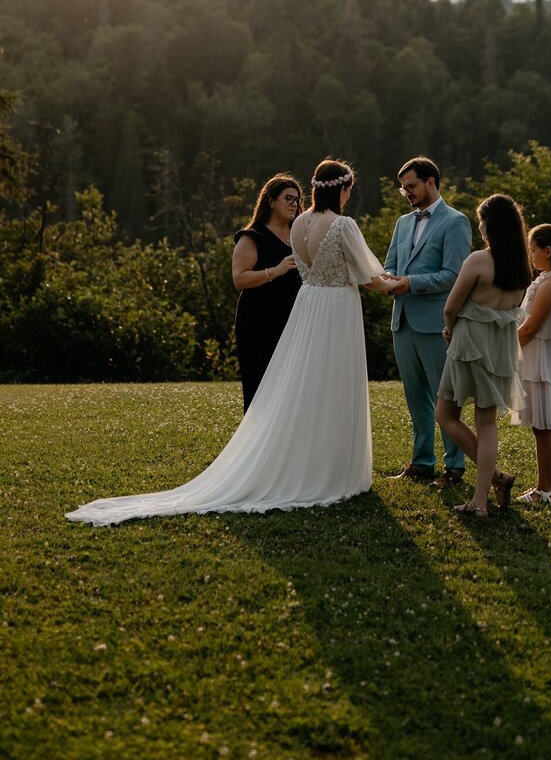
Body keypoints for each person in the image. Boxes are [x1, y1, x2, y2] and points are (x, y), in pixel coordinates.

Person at [66, 159, 397, 526]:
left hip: (308, 308)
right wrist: (397, 285)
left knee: (305, 386)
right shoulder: (342, 224)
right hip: (335, 309)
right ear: (343, 189)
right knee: (333, 384)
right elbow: (369, 276)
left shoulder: (301, 224)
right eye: (349, 190)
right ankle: (333, 471)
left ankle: (308, 462)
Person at [435, 194, 530, 518]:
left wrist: (450, 331)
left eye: (481, 222)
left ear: (491, 226)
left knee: (446, 414)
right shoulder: (521, 268)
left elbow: (451, 307)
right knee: (486, 423)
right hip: (500, 348)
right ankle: (491, 485)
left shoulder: (479, 260)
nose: (480, 228)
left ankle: (482, 498)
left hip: (469, 345)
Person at [384, 156, 472, 487]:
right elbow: (391, 263)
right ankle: (422, 462)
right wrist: (386, 278)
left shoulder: (456, 222)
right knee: (414, 397)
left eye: (411, 186)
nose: (406, 192)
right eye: (403, 188)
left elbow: (454, 275)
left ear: (430, 182)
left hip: (436, 323)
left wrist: (411, 283)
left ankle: (454, 467)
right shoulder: (402, 223)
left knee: (444, 397)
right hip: (403, 321)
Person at [512, 223, 551, 505]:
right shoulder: (547, 279)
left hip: (543, 363)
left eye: (533, 250)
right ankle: (549, 485)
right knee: (545, 425)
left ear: (548, 251)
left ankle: (546, 489)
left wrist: (501, 348)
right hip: (538, 360)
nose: (531, 256)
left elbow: (530, 328)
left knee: (544, 426)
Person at [232, 174, 303, 413]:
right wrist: (275, 270)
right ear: (271, 201)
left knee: (292, 386)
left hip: (293, 319)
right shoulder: (252, 236)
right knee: (260, 384)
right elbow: (239, 278)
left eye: (297, 199)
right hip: (258, 321)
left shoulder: (299, 236)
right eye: (288, 198)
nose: (294, 203)